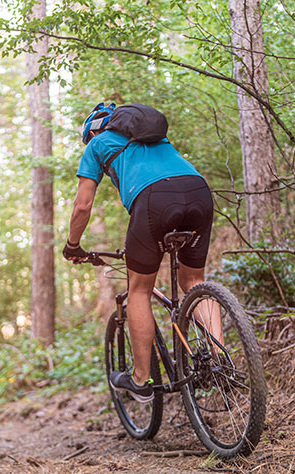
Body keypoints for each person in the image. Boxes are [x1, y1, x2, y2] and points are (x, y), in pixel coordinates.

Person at [62, 102, 215, 403]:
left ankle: (142, 379)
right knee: (194, 281)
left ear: (91, 131)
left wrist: (72, 245)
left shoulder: (98, 144)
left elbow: (82, 205)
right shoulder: (156, 138)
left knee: (140, 290)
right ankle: (220, 363)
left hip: (153, 201)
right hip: (198, 191)